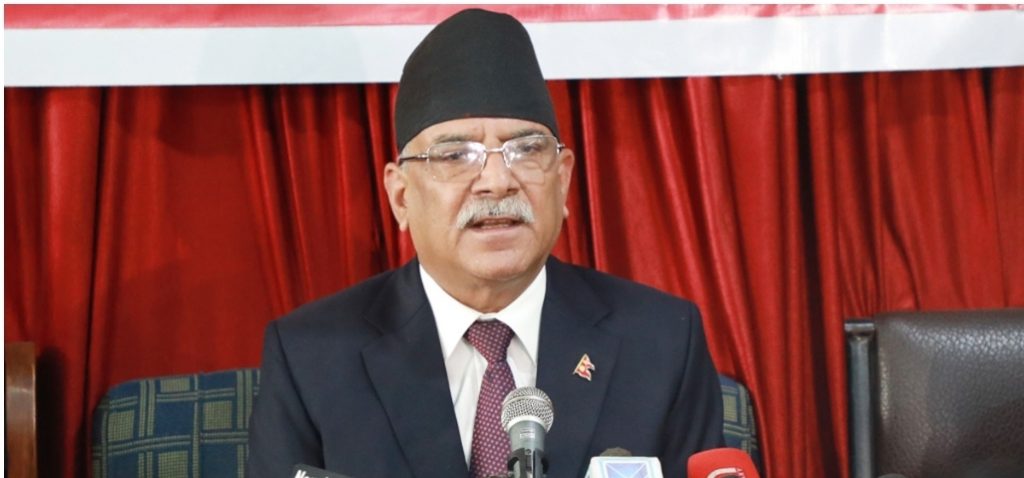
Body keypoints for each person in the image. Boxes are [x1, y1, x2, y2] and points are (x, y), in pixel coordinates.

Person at [247, 8, 723, 478]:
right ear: (401, 197)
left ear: (563, 181)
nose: (497, 182)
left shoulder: (660, 342)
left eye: (526, 150)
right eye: (456, 155)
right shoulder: (313, 357)